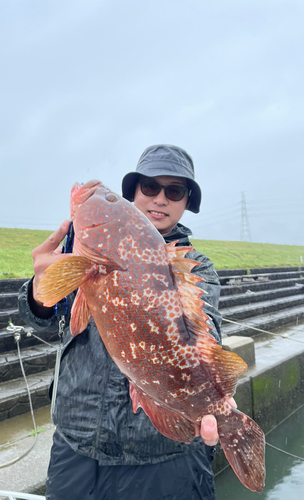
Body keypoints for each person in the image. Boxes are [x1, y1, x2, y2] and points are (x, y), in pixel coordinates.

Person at [18, 144, 231, 500]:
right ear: (133, 192)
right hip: (79, 450)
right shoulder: (81, 253)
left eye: (174, 191)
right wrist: (40, 290)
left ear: (186, 201)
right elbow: (42, 321)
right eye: (150, 187)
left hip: (166, 458)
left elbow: (207, 333)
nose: (160, 199)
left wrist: (217, 401)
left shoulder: (195, 267)